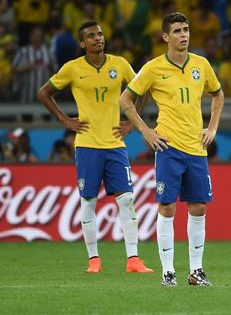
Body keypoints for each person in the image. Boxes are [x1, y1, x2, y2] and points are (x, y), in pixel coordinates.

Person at [36, 20, 153, 274]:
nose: (98, 38)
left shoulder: (120, 64)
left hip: (115, 144)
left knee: (127, 200)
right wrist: (65, 119)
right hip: (87, 144)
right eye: (91, 36)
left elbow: (142, 89)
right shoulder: (72, 68)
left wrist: (133, 121)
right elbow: (44, 92)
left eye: (100, 34)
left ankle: (133, 259)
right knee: (88, 202)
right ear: (82, 43)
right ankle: (94, 260)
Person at [120, 12, 224, 287]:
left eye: (186, 29)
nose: (184, 35)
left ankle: (196, 271)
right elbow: (126, 99)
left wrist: (212, 128)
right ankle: (168, 271)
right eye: (177, 31)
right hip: (168, 147)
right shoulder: (153, 68)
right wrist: (145, 131)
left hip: (196, 148)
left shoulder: (201, 64)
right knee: (167, 208)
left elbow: (218, 94)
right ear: (165, 36)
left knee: (198, 207)